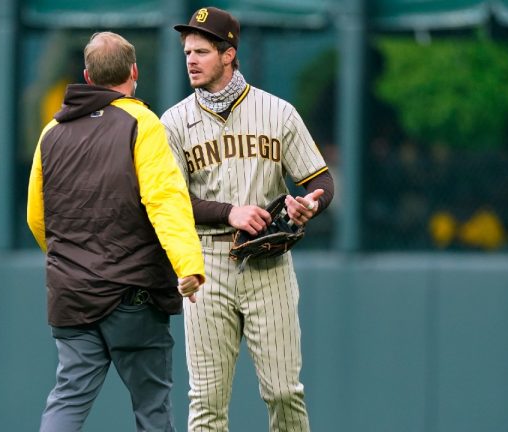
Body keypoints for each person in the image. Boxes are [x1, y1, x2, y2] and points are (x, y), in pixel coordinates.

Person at [161, 7, 335, 432]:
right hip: (206, 266)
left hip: (268, 266)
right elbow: (170, 202)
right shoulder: (174, 122)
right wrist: (228, 212)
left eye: (202, 51)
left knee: (283, 392)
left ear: (229, 54)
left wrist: (309, 204)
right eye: (187, 52)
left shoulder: (277, 113)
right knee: (206, 402)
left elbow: (321, 180)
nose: (191, 60)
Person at [26, 31, 205, 432]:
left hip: (71, 294)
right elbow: (165, 201)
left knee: (68, 398)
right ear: (135, 72)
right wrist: (187, 265)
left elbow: (37, 217)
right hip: (133, 296)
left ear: (87, 76)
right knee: (152, 407)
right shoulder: (142, 123)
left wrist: (71, 261)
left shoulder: (51, 131)